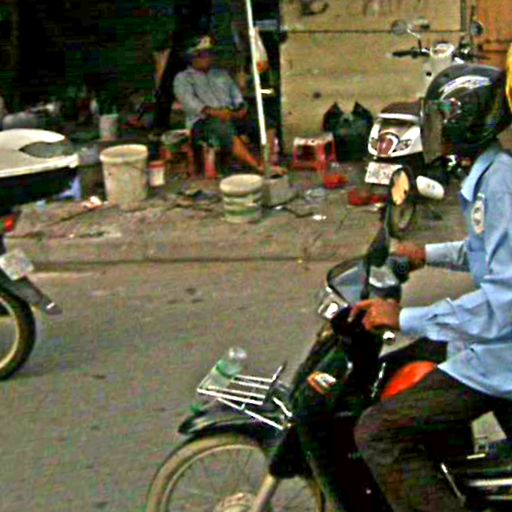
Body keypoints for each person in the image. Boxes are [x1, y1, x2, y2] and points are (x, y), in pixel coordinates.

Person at [351, 63, 512, 512]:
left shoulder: (500, 186)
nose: (435, 131)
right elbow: (484, 251)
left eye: (442, 119)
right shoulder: (489, 175)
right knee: (413, 363)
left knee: (378, 431)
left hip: (501, 355)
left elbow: (502, 304)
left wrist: (404, 317)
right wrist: (426, 253)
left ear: (466, 121)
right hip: (494, 344)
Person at [173, 35, 276, 175]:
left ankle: (267, 161)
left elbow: (236, 95)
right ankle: (257, 166)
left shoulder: (221, 74)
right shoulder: (183, 78)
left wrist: (240, 108)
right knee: (222, 127)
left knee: (265, 122)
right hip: (202, 122)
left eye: (209, 54)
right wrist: (215, 112)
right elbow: (189, 103)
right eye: (203, 55)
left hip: (230, 114)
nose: (208, 57)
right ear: (192, 57)